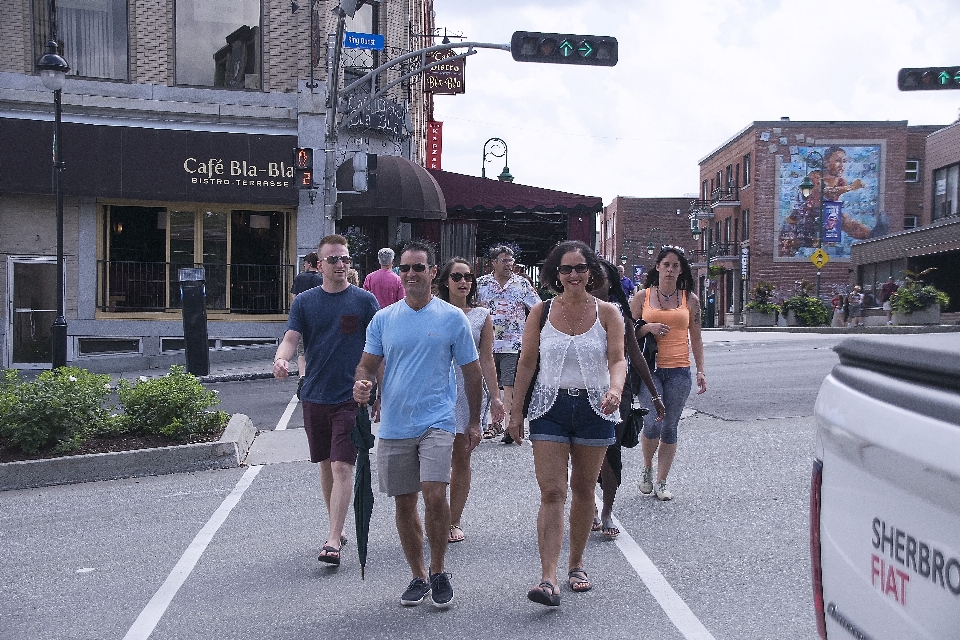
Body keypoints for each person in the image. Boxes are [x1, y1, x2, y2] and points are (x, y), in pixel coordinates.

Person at [353, 240, 483, 609]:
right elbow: (367, 364)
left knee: (434, 494)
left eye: (418, 268)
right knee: (404, 502)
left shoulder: (451, 318)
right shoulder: (384, 319)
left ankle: (439, 570)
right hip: (395, 425)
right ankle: (419, 576)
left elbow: (472, 374)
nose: (410, 274)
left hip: (437, 421)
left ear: (432, 272)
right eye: (405, 268)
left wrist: (474, 421)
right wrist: (363, 384)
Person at [507, 240, 627, 607]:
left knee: (582, 491)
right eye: (565, 269)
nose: (573, 275)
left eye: (579, 268)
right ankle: (547, 578)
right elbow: (526, 363)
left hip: (596, 408)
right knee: (552, 492)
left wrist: (617, 390)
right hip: (550, 407)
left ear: (591, 271)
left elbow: (618, 360)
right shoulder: (541, 312)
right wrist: (515, 413)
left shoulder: (608, 313)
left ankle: (576, 564)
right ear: (555, 274)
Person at [273, 235, 379, 566]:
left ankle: (332, 539)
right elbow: (291, 337)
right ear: (320, 265)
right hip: (314, 395)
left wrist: (380, 391)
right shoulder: (305, 302)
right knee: (324, 463)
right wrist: (282, 359)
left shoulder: (364, 301)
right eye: (333, 259)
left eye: (345, 259)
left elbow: (379, 348)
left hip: (351, 396)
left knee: (342, 464)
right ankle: (338, 524)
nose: (340, 264)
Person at [593, 260, 665, 539]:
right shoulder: (571, 312)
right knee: (584, 456)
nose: (594, 283)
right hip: (580, 393)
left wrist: (655, 396)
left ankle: (607, 510)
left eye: (600, 278)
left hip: (616, 394)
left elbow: (634, 356)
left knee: (611, 456)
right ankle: (590, 508)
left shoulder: (620, 314)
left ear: (611, 282)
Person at [436, 258, 505, 544]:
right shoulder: (434, 312)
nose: (464, 282)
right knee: (434, 457)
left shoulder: (481, 315)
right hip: (437, 388)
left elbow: (487, 358)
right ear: (445, 281)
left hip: (468, 389)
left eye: (468, 277)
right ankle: (435, 516)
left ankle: (453, 521)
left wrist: (497, 397)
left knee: (461, 457)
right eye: (457, 276)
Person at [629, 246, 706, 502]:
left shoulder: (690, 300)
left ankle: (662, 481)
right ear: (658, 268)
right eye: (666, 265)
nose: (671, 270)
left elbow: (696, 338)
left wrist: (701, 370)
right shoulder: (642, 297)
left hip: (679, 371)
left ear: (680, 270)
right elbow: (627, 333)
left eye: (675, 266)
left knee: (670, 427)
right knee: (652, 422)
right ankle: (647, 467)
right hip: (648, 370)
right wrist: (648, 327)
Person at [476, 245, 541, 443]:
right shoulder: (480, 284)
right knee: (485, 386)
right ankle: (489, 424)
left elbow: (537, 307)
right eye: (504, 260)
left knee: (509, 385)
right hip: (485, 344)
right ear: (493, 263)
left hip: (513, 344)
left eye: (511, 260)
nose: (509, 264)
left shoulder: (521, 284)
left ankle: (507, 427)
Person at [290, 252, 323, 397]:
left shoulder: (299, 278)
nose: (304, 265)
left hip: (303, 319)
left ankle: (303, 377)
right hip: (318, 320)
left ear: (309, 263)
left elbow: (294, 298)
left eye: (305, 263)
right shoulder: (321, 279)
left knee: (302, 351)